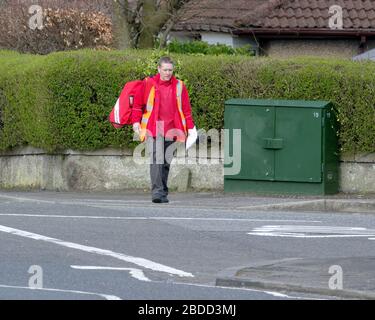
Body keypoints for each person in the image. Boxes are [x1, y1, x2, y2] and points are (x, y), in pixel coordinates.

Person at [131, 56, 197, 203]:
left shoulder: (180, 86)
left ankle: (163, 192)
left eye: (170, 70)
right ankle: (157, 192)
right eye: (165, 69)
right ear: (159, 69)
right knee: (156, 159)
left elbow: (186, 110)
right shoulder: (148, 84)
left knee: (166, 161)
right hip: (154, 127)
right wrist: (135, 122)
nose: (168, 73)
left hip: (173, 128)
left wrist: (191, 128)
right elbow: (137, 105)